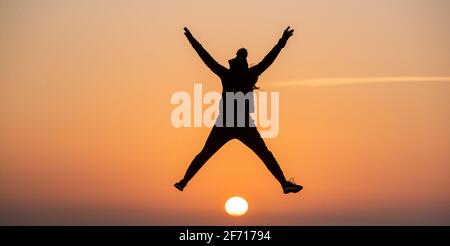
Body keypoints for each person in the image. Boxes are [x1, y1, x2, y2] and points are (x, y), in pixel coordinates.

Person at [175, 27, 303, 194]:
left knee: (206, 154)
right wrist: (281, 42)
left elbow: (206, 58)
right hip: (239, 124)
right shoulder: (246, 74)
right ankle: (284, 183)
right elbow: (267, 60)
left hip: (229, 123)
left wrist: (192, 40)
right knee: (265, 154)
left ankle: (184, 181)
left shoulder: (229, 74)